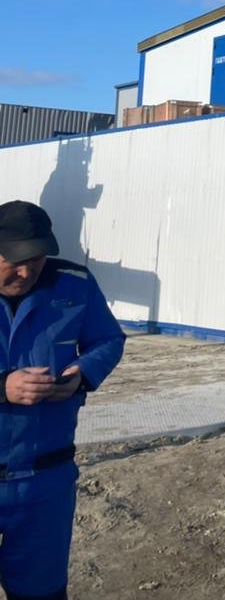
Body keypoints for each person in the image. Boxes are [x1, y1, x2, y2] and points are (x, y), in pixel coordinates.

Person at [0, 200, 124, 600]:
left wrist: (81, 374)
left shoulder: (74, 284)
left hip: (45, 482)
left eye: (36, 260)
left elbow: (108, 340)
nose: (26, 272)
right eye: (15, 261)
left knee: (42, 593)